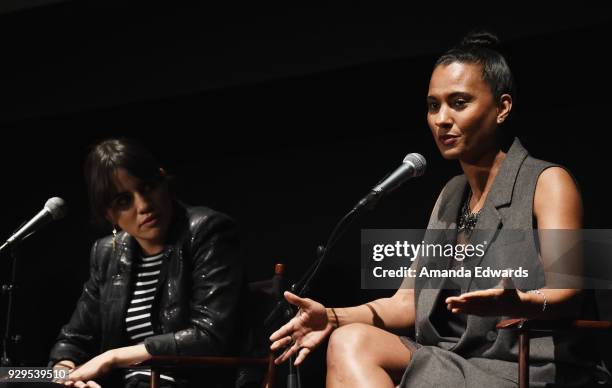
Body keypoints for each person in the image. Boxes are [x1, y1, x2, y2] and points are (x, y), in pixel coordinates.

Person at [270, 31, 602, 387]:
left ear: (502, 108)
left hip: (528, 368)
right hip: (458, 360)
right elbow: (408, 302)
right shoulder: (451, 194)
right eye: (433, 105)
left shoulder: (548, 182)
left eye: (459, 103)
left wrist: (519, 301)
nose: (442, 119)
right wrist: (332, 317)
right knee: (350, 339)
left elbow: (569, 296)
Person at [49, 138, 245, 388]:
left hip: (192, 382)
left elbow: (210, 336)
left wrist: (114, 357)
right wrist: (66, 373)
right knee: (12, 378)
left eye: (148, 187)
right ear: (109, 214)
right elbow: (74, 339)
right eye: (123, 201)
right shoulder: (107, 253)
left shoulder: (208, 231)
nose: (143, 205)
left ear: (164, 180)